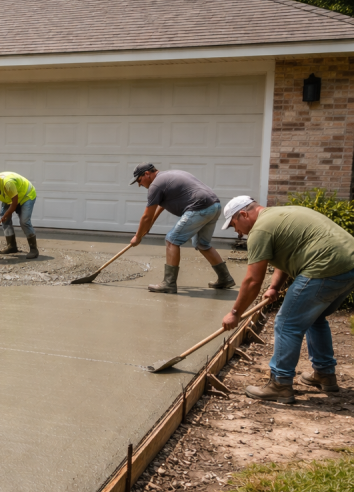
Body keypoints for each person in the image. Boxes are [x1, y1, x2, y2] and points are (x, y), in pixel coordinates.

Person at [221, 195, 354, 404]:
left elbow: (252, 281)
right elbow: (285, 256)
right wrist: (274, 287)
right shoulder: (280, 216)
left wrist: (235, 313)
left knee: (286, 324)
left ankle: (280, 384)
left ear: (243, 214)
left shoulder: (260, 231)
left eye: (234, 225)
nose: (237, 232)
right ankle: (324, 374)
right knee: (315, 317)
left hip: (324, 267)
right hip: (348, 267)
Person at [129, 163, 234, 294]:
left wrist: (137, 237)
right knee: (202, 244)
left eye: (139, 180)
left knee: (172, 240)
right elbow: (160, 206)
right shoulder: (168, 176)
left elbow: (146, 216)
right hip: (214, 206)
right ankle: (225, 278)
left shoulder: (155, 185)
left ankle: (169, 283)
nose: (140, 184)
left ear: (147, 174)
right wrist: (152, 222)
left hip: (199, 207)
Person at [0, 171, 38, 259]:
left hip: (26, 195)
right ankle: (11, 246)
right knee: (5, 219)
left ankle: (34, 249)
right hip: (11, 197)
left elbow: (14, 203)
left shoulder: (7, 183)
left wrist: (6, 214)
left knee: (24, 221)